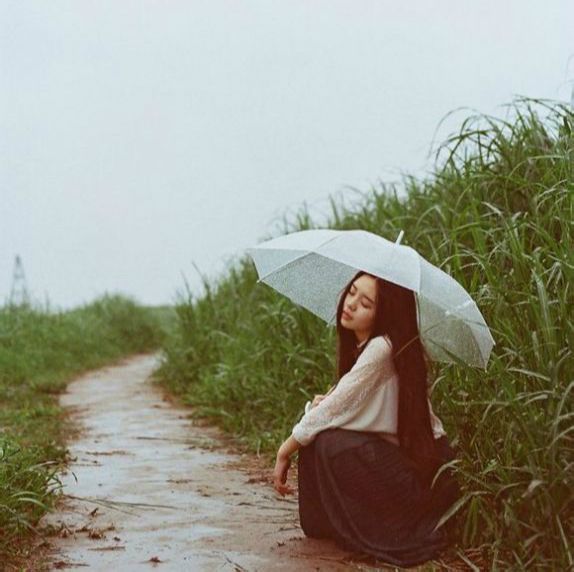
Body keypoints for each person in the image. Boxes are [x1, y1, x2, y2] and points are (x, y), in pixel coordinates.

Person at [272, 270, 463, 567]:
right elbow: (339, 405)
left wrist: (284, 451)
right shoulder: (368, 348)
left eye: (366, 304)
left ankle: (379, 531)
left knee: (329, 441)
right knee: (320, 436)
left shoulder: (382, 348)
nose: (350, 304)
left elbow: (333, 411)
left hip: (426, 475)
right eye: (352, 293)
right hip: (404, 463)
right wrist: (325, 404)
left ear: (383, 314)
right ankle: (330, 526)